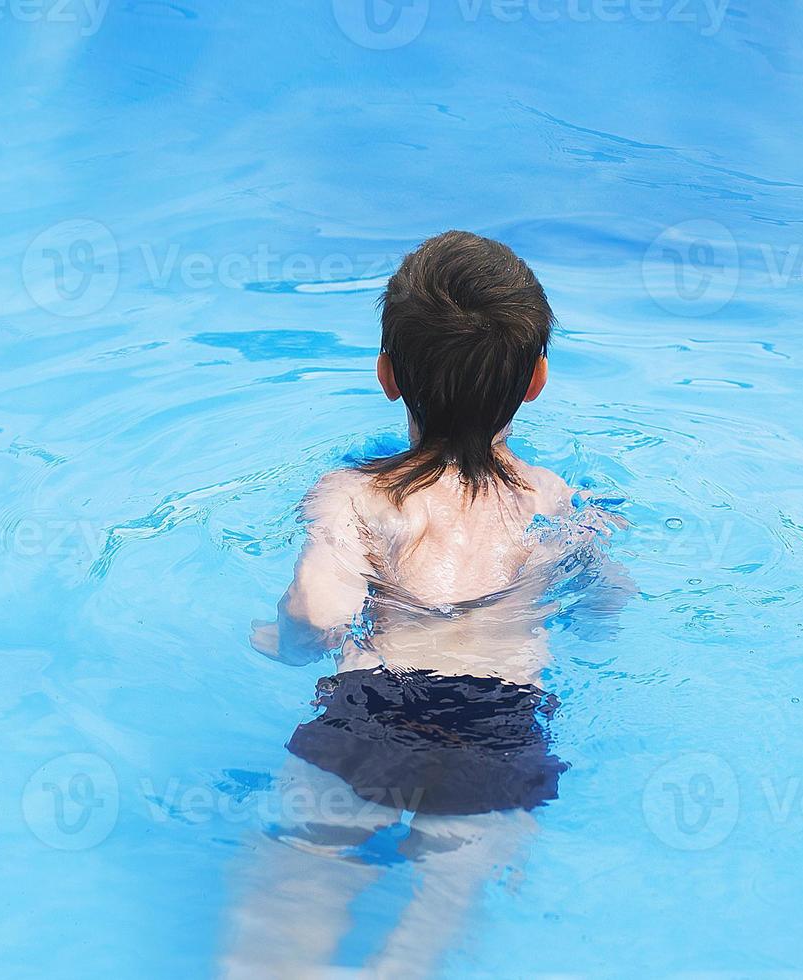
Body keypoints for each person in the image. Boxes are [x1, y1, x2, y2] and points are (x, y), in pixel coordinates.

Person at [226, 231, 601, 979]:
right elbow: (601, 601)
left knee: (299, 882)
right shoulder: (556, 499)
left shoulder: (356, 493)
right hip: (502, 723)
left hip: (374, 706)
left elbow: (320, 611)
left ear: (387, 374)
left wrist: (285, 641)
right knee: (433, 921)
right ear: (536, 381)